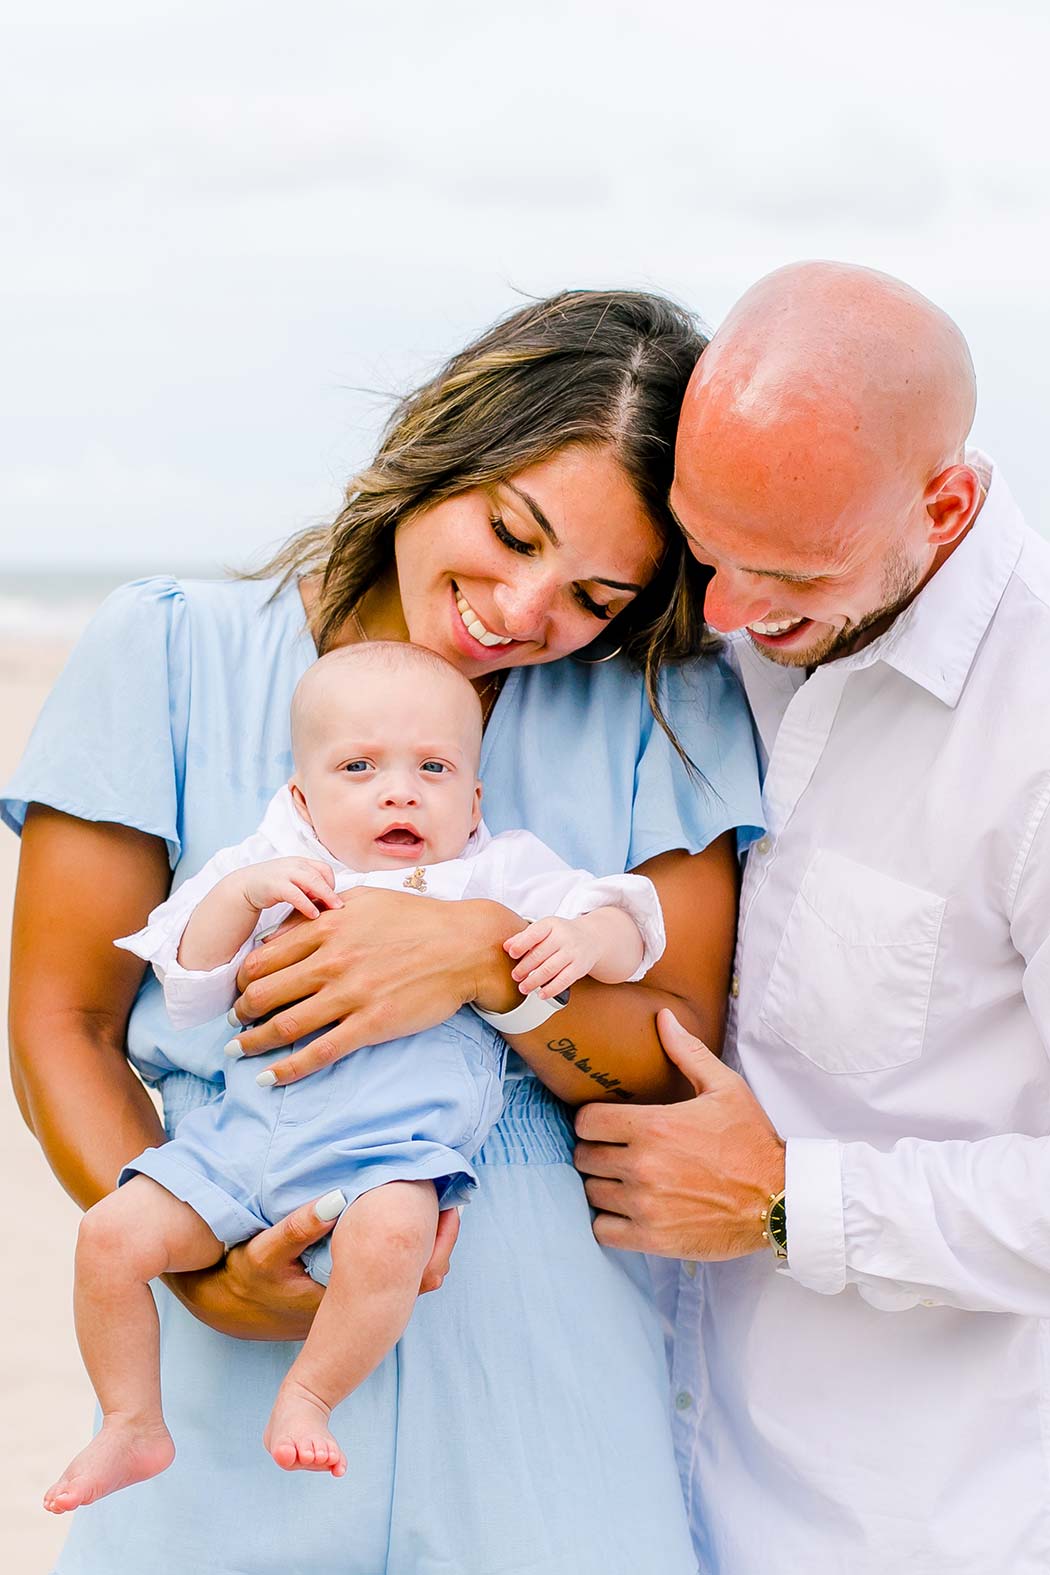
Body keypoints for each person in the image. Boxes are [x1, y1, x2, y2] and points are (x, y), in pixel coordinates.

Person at [4, 289, 763, 1574]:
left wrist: (479, 960)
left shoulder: (662, 702)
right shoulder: (171, 650)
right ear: (442, 443)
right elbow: (62, 1019)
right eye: (509, 530)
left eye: (596, 592)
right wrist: (204, 1272)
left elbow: (671, 1045)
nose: (520, 611)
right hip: (241, 1323)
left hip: (550, 1360)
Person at [574, 261, 1050, 1573]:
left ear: (942, 505)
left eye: (781, 570)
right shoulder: (726, 619)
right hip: (621, 1499)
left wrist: (790, 1197)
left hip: (895, 1526)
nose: (720, 611)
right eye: (701, 548)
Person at [46, 639, 664, 1509]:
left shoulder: (496, 868)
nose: (399, 789)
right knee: (108, 1237)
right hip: (244, 1140)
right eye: (360, 765)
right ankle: (130, 1420)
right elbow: (185, 985)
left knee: (395, 1239)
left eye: (434, 767)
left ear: (474, 796)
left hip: (391, 1153)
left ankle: (311, 1392)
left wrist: (587, 939)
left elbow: (632, 919)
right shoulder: (270, 865)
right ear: (302, 796)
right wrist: (243, 895)